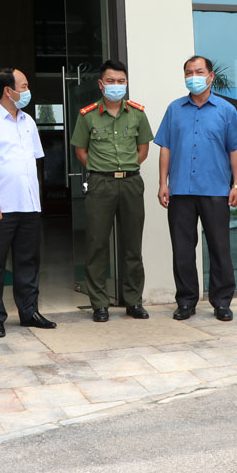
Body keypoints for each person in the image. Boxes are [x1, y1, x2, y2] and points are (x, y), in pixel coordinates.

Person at [155, 56, 237, 322]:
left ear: (210, 76)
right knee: (182, 249)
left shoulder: (226, 110)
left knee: (219, 247)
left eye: (198, 71)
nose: (193, 76)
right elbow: (165, 148)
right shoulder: (174, 109)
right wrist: (163, 183)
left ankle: (221, 302)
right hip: (181, 190)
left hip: (215, 189)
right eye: (188, 72)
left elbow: (236, 150)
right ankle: (186, 301)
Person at [70, 59, 154, 322]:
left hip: (130, 182)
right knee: (96, 244)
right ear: (100, 84)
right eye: (110, 81)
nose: (116, 85)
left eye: (121, 81)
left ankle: (133, 301)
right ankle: (99, 303)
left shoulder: (137, 114)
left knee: (132, 245)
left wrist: (125, 169)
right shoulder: (88, 115)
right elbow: (80, 151)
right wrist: (100, 168)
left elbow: (143, 149)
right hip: (100, 184)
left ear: (126, 83)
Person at [0, 68, 57, 338]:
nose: (27, 90)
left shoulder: (28, 121)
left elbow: (35, 161)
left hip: (29, 205)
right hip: (1, 206)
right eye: (23, 86)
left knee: (29, 262)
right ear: (7, 91)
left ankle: (28, 311)